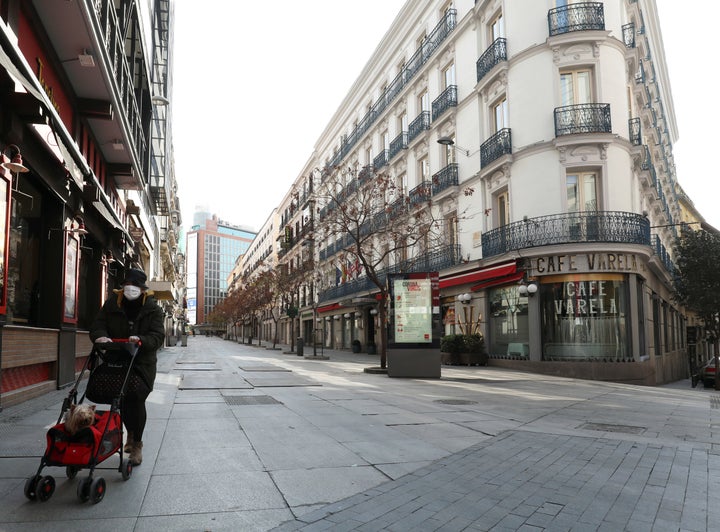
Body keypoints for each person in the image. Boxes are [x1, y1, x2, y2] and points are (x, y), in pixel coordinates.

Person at [89, 268, 165, 465]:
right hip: (116, 359)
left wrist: (141, 339)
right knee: (121, 399)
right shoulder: (112, 304)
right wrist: (101, 336)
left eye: (135, 285)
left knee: (136, 400)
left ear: (142, 288)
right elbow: (98, 325)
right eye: (127, 284)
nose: (130, 288)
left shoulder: (153, 309)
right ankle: (129, 435)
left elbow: (158, 336)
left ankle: (136, 443)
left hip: (142, 363)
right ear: (122, 286)